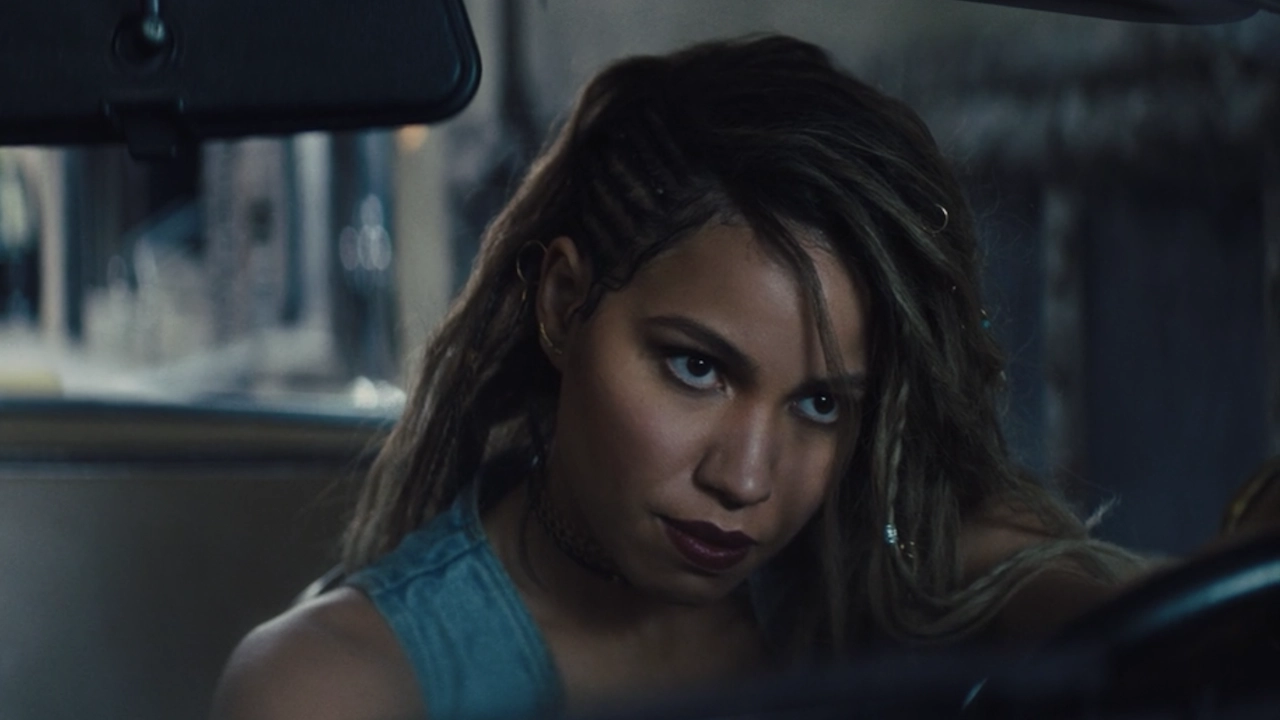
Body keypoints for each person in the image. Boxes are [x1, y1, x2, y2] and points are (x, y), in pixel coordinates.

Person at [211, 35, 1149, 720]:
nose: (745, 478)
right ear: (565, 304)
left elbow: (1138, 627)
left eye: (820, 403)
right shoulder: (336, 686)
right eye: (697, 368)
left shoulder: (881, 567)